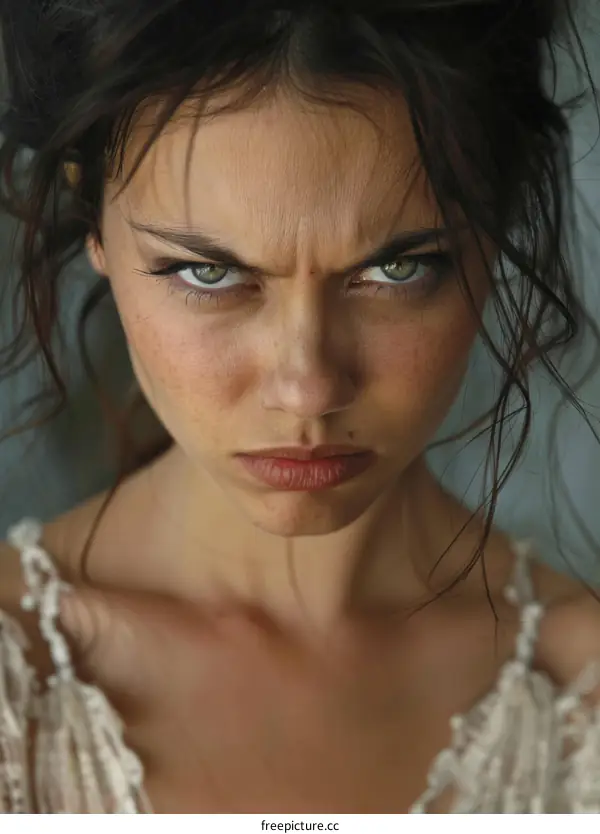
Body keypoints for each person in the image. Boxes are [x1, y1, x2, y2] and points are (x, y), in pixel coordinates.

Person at [0, 0, 599, 815]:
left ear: (493, 227)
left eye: (397, 271)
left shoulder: (582, 696)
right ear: (93, 223)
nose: (308, 388)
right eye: (208, 273)